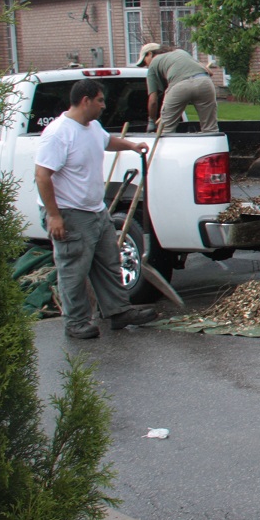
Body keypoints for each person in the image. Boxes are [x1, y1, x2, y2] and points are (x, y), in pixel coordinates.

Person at [35, 79, 158, 339]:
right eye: (100, 100)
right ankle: (76, 322)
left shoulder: (91, 127)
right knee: (74, 269)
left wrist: (132, 146)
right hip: (69, 213)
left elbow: (106, 142)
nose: (104, 106)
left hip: (95, 210)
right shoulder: (58, 133)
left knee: (108, 262)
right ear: (85, 100)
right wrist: (54, 215)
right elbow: (42, 175)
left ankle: (118, 311)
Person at [140, 42, 218, 133]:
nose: (146, 65)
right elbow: (209, 72)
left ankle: (167, 145)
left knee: (166, 130)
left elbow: (153, 101)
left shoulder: (153, 63)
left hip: (179, 86)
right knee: (210, 129)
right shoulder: (181, 52)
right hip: (204, 82)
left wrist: (151, 121)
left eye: (145, 62)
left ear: (149, 54)